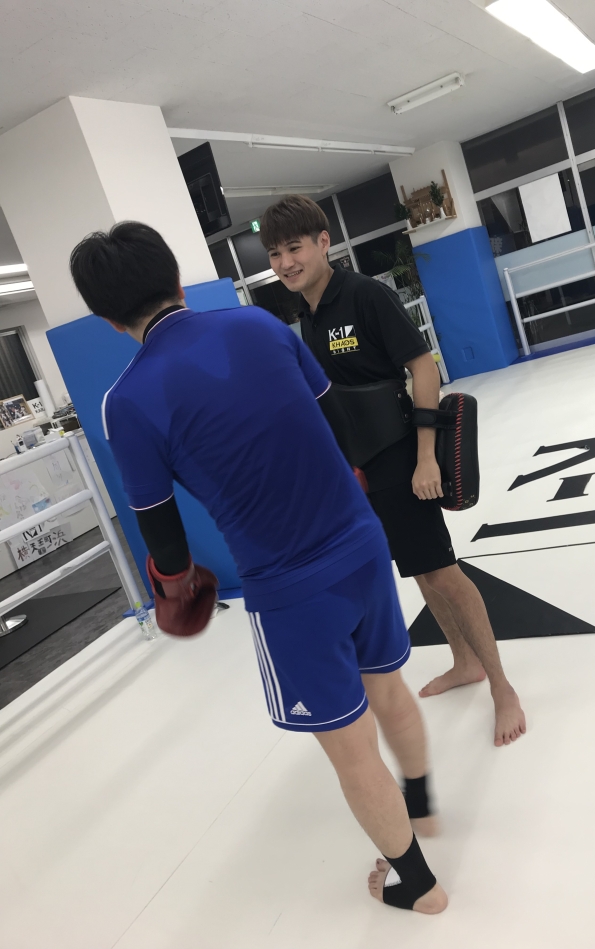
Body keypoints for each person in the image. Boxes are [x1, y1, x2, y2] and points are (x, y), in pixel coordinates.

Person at [69, 221, 447, 914]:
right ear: (178, 280)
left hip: (290, 585)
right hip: (361, 541)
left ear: (107, 320)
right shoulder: (260, 324)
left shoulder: (126, 401)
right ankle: (421, 807)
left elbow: (164, 538)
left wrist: (177, 585)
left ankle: (417, 885)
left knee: (349, 747)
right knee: (388, 687)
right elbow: (338, 429)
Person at [260, 195, 526, 747]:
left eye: (294, 248)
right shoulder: (307, 316)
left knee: (444, 572)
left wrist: (426, 456)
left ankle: (503, 687)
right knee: (421, 572)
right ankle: (464, 662)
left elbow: (422, 367)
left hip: (402, 456)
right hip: (360, 469)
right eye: (275, 254)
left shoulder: (364, 295)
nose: (285, 262)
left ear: (323, 242)